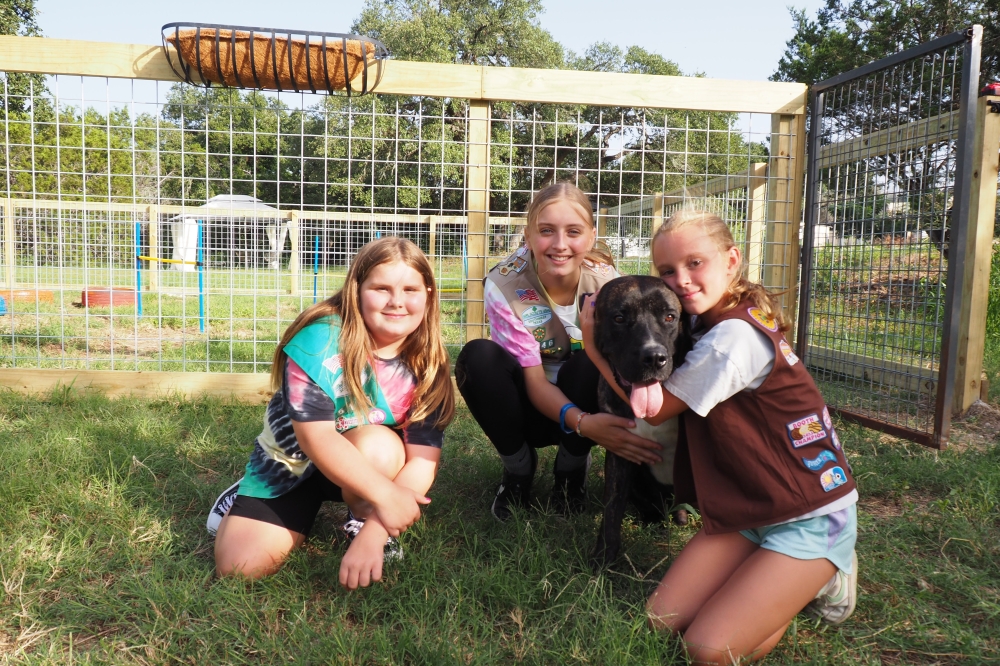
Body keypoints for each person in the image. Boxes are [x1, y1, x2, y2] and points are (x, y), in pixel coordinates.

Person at [581, 210, 859, 665]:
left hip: (807, 513)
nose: (682, 279)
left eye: (696, 263)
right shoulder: (703, 321)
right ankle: (765, 578)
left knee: (707, 649)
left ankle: (825, 576)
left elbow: (655, 407)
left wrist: (592, 347)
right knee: (659, 620)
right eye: (668, 270)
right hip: (749, 506)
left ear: (732, 260)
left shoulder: (732, 338)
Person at [208, 237, 454, 590]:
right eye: (381, 288)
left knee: (381, 447)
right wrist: (389, 498)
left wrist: (374, 532)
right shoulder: (321, 339)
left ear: (428, 293)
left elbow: (422, 461)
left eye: (410, 289)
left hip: (367, 460)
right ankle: (241, 496)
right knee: (239, 568)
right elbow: (316, 437)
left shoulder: (428, 362)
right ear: (357, 290)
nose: (397, 301)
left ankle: (358, 519)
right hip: (294, 464)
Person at [455, 182, 664, 521]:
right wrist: (583, 424)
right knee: (477, 357)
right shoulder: (503, 284)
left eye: (574, 232)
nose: (560, 244)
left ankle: (571, 472)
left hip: (584, 397)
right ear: (528, 234)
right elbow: (536, 383)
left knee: (588, 363)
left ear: (592, 235)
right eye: (547, 231)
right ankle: (518, 471)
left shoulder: (610, 284)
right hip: (528, 405)